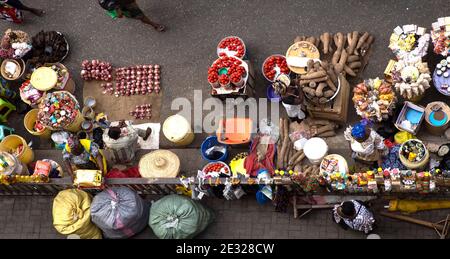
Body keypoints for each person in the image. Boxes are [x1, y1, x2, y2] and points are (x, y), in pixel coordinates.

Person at [98, 0, 165, 32]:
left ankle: (130, 12)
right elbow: (119, 15)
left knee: (134, 6)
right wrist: (119, 10)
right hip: (123, 6)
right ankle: (153, 24)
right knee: (140, 16)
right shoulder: (105, 3)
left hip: (127, 2)